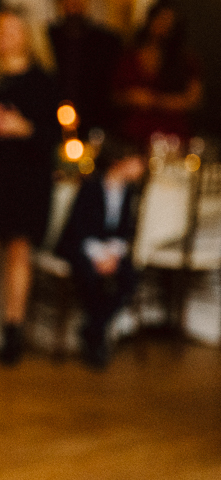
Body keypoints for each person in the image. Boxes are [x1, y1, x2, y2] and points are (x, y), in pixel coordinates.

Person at [0, 9, 60, 365]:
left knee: (20, 250)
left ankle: (13, 331)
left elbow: (53, 137)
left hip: (26, 176)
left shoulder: (43, 81)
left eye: (11, 30)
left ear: (27, 35)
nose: (3, 36)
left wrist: (25, 128)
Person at [56, 140, 146, 369]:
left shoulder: (129, 192)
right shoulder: (91, 186)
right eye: (136, 162)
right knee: (89, 277)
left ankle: (94, 329)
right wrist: (98, 255)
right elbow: (77, 227)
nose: (141, 167)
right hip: (82, 246)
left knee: (130, 278)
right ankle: (96, 338)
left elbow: (125, 230)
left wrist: (112, 255)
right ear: (119, 162)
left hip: (110, 249)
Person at [111, 0, 204, 148]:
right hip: (134, 136)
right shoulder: (130, 57)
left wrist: (154, 100)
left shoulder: (185, 61)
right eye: (161, 19)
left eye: (170, 22)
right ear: (150, 20)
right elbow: (115, 95)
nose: (164, 26)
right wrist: (130, 97)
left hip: (173, 138)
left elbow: (193, 100)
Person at [47, 0, 122, 136]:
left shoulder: (106, 40)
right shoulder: (48, 37)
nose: (74, 3)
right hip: (53, 115)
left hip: (95, 117)